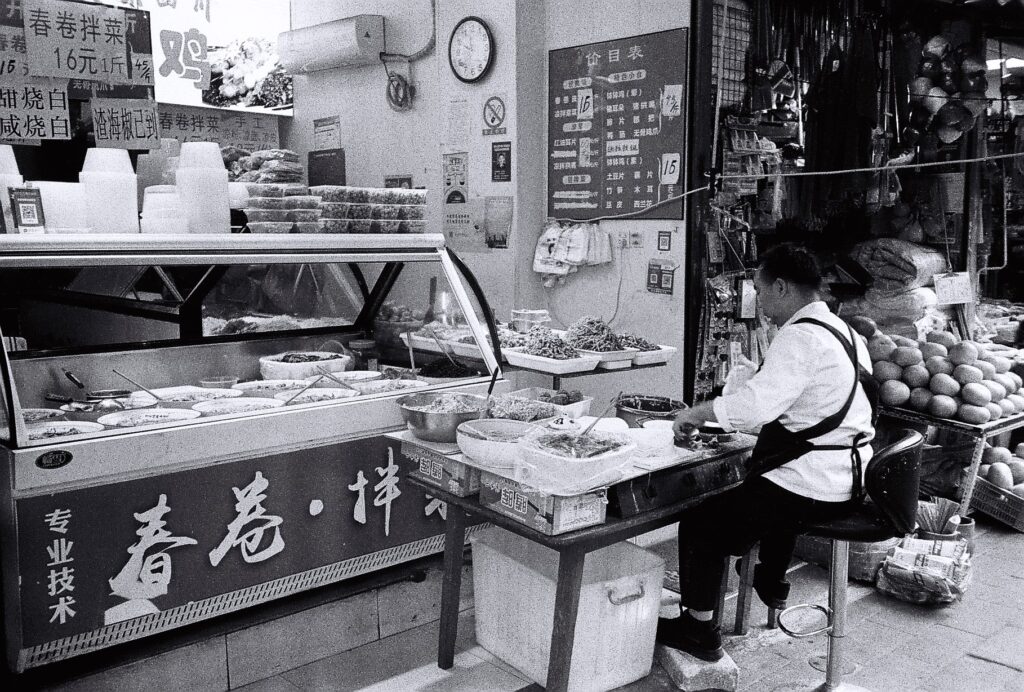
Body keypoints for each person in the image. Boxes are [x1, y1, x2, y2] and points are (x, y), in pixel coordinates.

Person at [658, 243, 876, 662]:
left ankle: (699, 630)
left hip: (814, 486)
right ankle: (769, 579)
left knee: (703, 522)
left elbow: (755, 409)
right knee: (760, 488)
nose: (757, 301)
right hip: (849, 476)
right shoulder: (845, 332)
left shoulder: (800, 337)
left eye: (759, 290)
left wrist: (697, 413)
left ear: (780, 287)